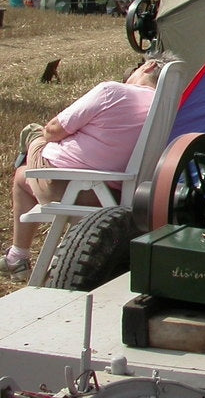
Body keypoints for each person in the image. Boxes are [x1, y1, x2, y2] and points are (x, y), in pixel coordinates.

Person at [2, 54, 178, 281]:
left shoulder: (112, 91)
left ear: (150, 66)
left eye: (138, 65)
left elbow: (53, 129)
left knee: (31, 140)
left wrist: (44, 139)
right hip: (113, 192)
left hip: (68, 185)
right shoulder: (164, 109)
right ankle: (17, 258)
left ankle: (17, 258)